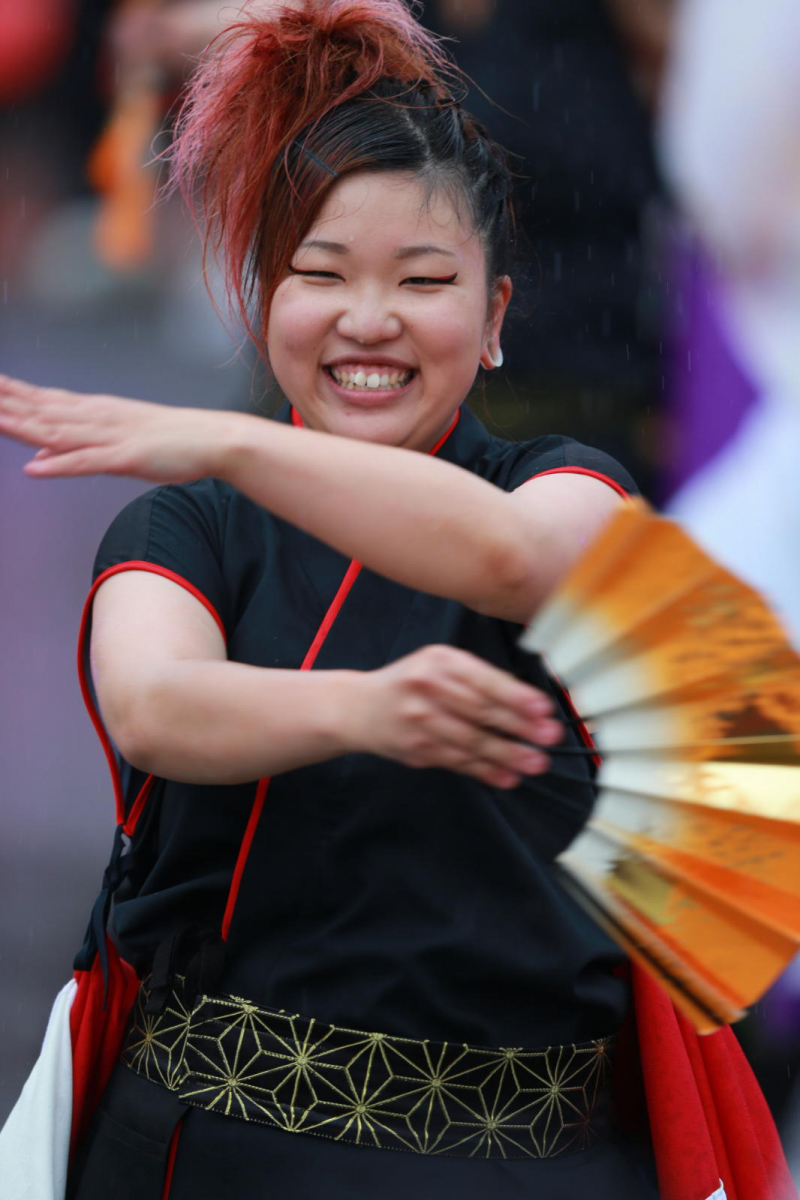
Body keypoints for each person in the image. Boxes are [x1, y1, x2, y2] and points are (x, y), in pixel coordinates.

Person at [0, 3, 792, 1198]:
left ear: (494, 321)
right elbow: (157, 708)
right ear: (261, 300)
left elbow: (519, 563)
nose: (367, 320)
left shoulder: (565, 491)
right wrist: (367, 711)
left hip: (536, 1166)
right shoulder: (189, 524)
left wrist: (232, 442)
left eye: (422, 280)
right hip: (210, 1157)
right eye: (319, 276)